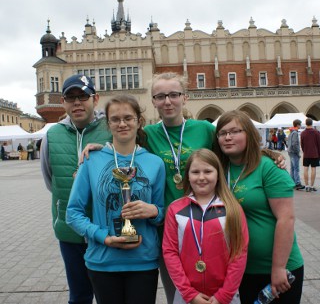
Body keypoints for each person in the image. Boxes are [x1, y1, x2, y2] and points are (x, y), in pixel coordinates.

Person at [80, 72, 285, 304]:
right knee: (179, 294)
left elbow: (226, 157)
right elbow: (123, 146)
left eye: (174, 95)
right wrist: (100, 148)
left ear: (185, 98)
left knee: (219, 287)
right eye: (160, 96)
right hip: (170, 230)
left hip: (210, 223)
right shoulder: (147, 134)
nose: (167, 101)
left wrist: (267, 153)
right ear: (153, 101)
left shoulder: (204, 130)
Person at [66, 94, 165, 304]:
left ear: (139, 122)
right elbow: (73, 213)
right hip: (103, 260)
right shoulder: (91, 161)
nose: (122, 124)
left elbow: (162, 212)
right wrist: (103, 237)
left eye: (128, 118)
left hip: (143, 261)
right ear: (108, 123)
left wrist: (154, 211)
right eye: (115, 119)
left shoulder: (155, 163)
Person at [215, 110, 304, 304]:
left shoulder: (268, 167)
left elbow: (286, 218)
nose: (228, 137)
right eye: (222, 133)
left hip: (276, 269)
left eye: (235, 131)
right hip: (239, 270)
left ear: (249, 134)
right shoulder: (219, 170)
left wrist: (279, 267)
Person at [40, 74, 112, 304]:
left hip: (103, 229)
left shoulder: (110, 128)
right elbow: (51, 180)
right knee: (79, 295)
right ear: (63, 102)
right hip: (69, 230)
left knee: (107, 294)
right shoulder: (52, 134)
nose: (77, 102)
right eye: (70, 98)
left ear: (95, 98)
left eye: (83, 96)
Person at [163, 148, 248, 304]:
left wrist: (224, 295)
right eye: (195, 172)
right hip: (187, 296)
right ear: (187, 176)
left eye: (208, 171)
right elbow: (170, 252)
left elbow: (239, 253)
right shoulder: (175, 209)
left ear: (218, 175)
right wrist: (189, 294)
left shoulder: (232, 209)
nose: (201, 177)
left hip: (225, 296)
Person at [300, 118, 320, 192]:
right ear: (312, 123)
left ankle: (307, 186)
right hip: (315, 154)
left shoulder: (303, 133)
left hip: (306, 154)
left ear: (306, 123)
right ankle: (311, 186)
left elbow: (301, 144)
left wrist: (304, 151)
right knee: (313, 169)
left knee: (305, 168)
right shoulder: (316, 132)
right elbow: (319, 144)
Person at [287, 119, 305, 190]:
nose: (300, 126)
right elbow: (295, 144)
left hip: (290, 151)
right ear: (297, 125)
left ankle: (292, 182)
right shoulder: (295, 133)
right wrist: (298, 152)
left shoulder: (291, 132)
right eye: (300, 124)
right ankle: (297, 183)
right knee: (296, 168)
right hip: (294, 152)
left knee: (292, 168)